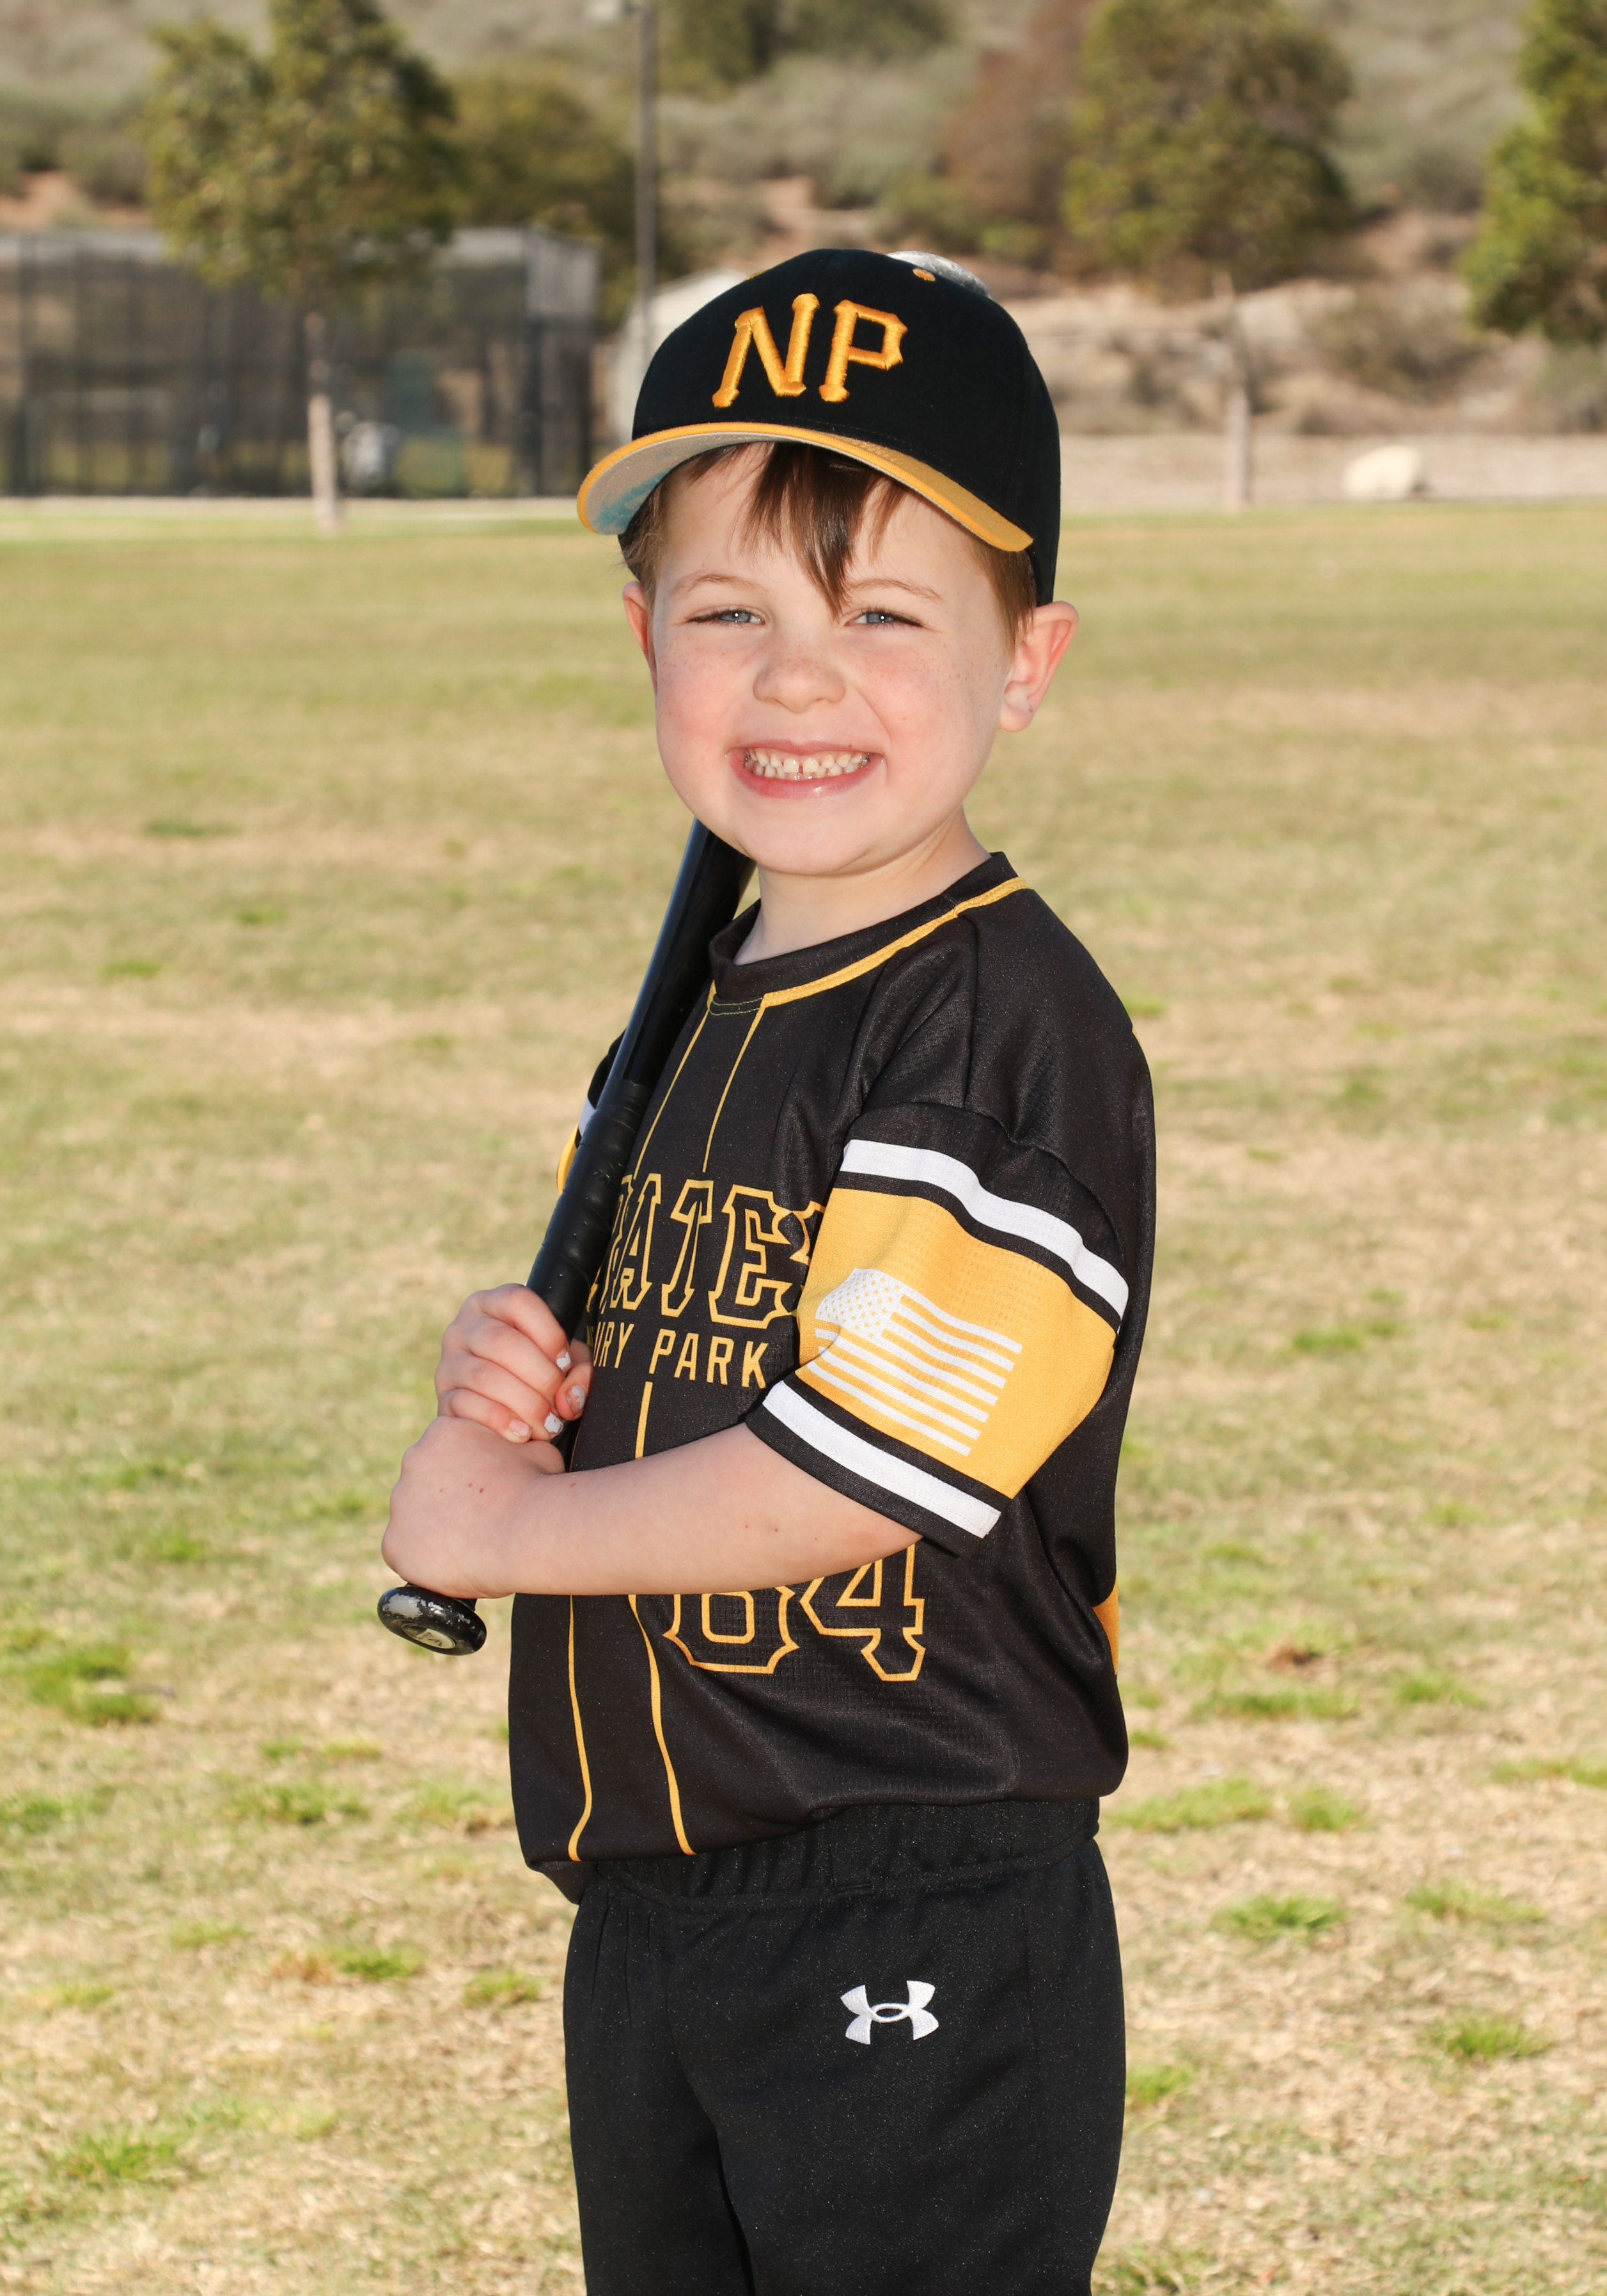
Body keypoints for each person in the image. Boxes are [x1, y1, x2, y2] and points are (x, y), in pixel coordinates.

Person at [383, 247, 1156, 2296]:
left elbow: (870, 1462)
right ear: (647, 638)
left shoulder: (995, 1027)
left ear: (1028, 660)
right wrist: (540, 1380)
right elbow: (708, 1347)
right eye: (731, 613)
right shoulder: (722, 1002)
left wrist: (506, 1533)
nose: (799, 680)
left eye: (884, 615)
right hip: (664, 1895)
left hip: (903, 1880)